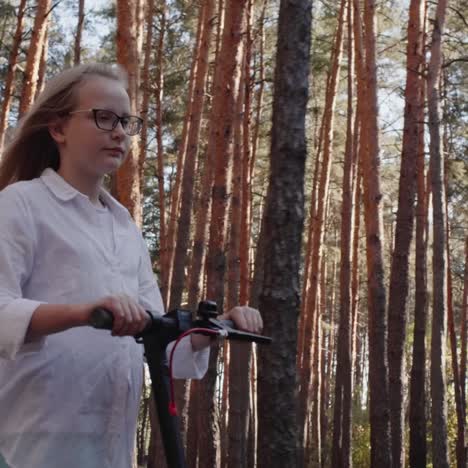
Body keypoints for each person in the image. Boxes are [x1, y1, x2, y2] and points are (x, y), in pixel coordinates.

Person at [0, 63, 263, 468]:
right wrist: (82, 314)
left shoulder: (125, 230)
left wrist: (212, 328)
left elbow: (159, 343)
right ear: (58, 129)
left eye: (126, 121)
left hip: (112, 449)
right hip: (33, 445)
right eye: (103, 118)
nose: (120, 132)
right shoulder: (21, 204)